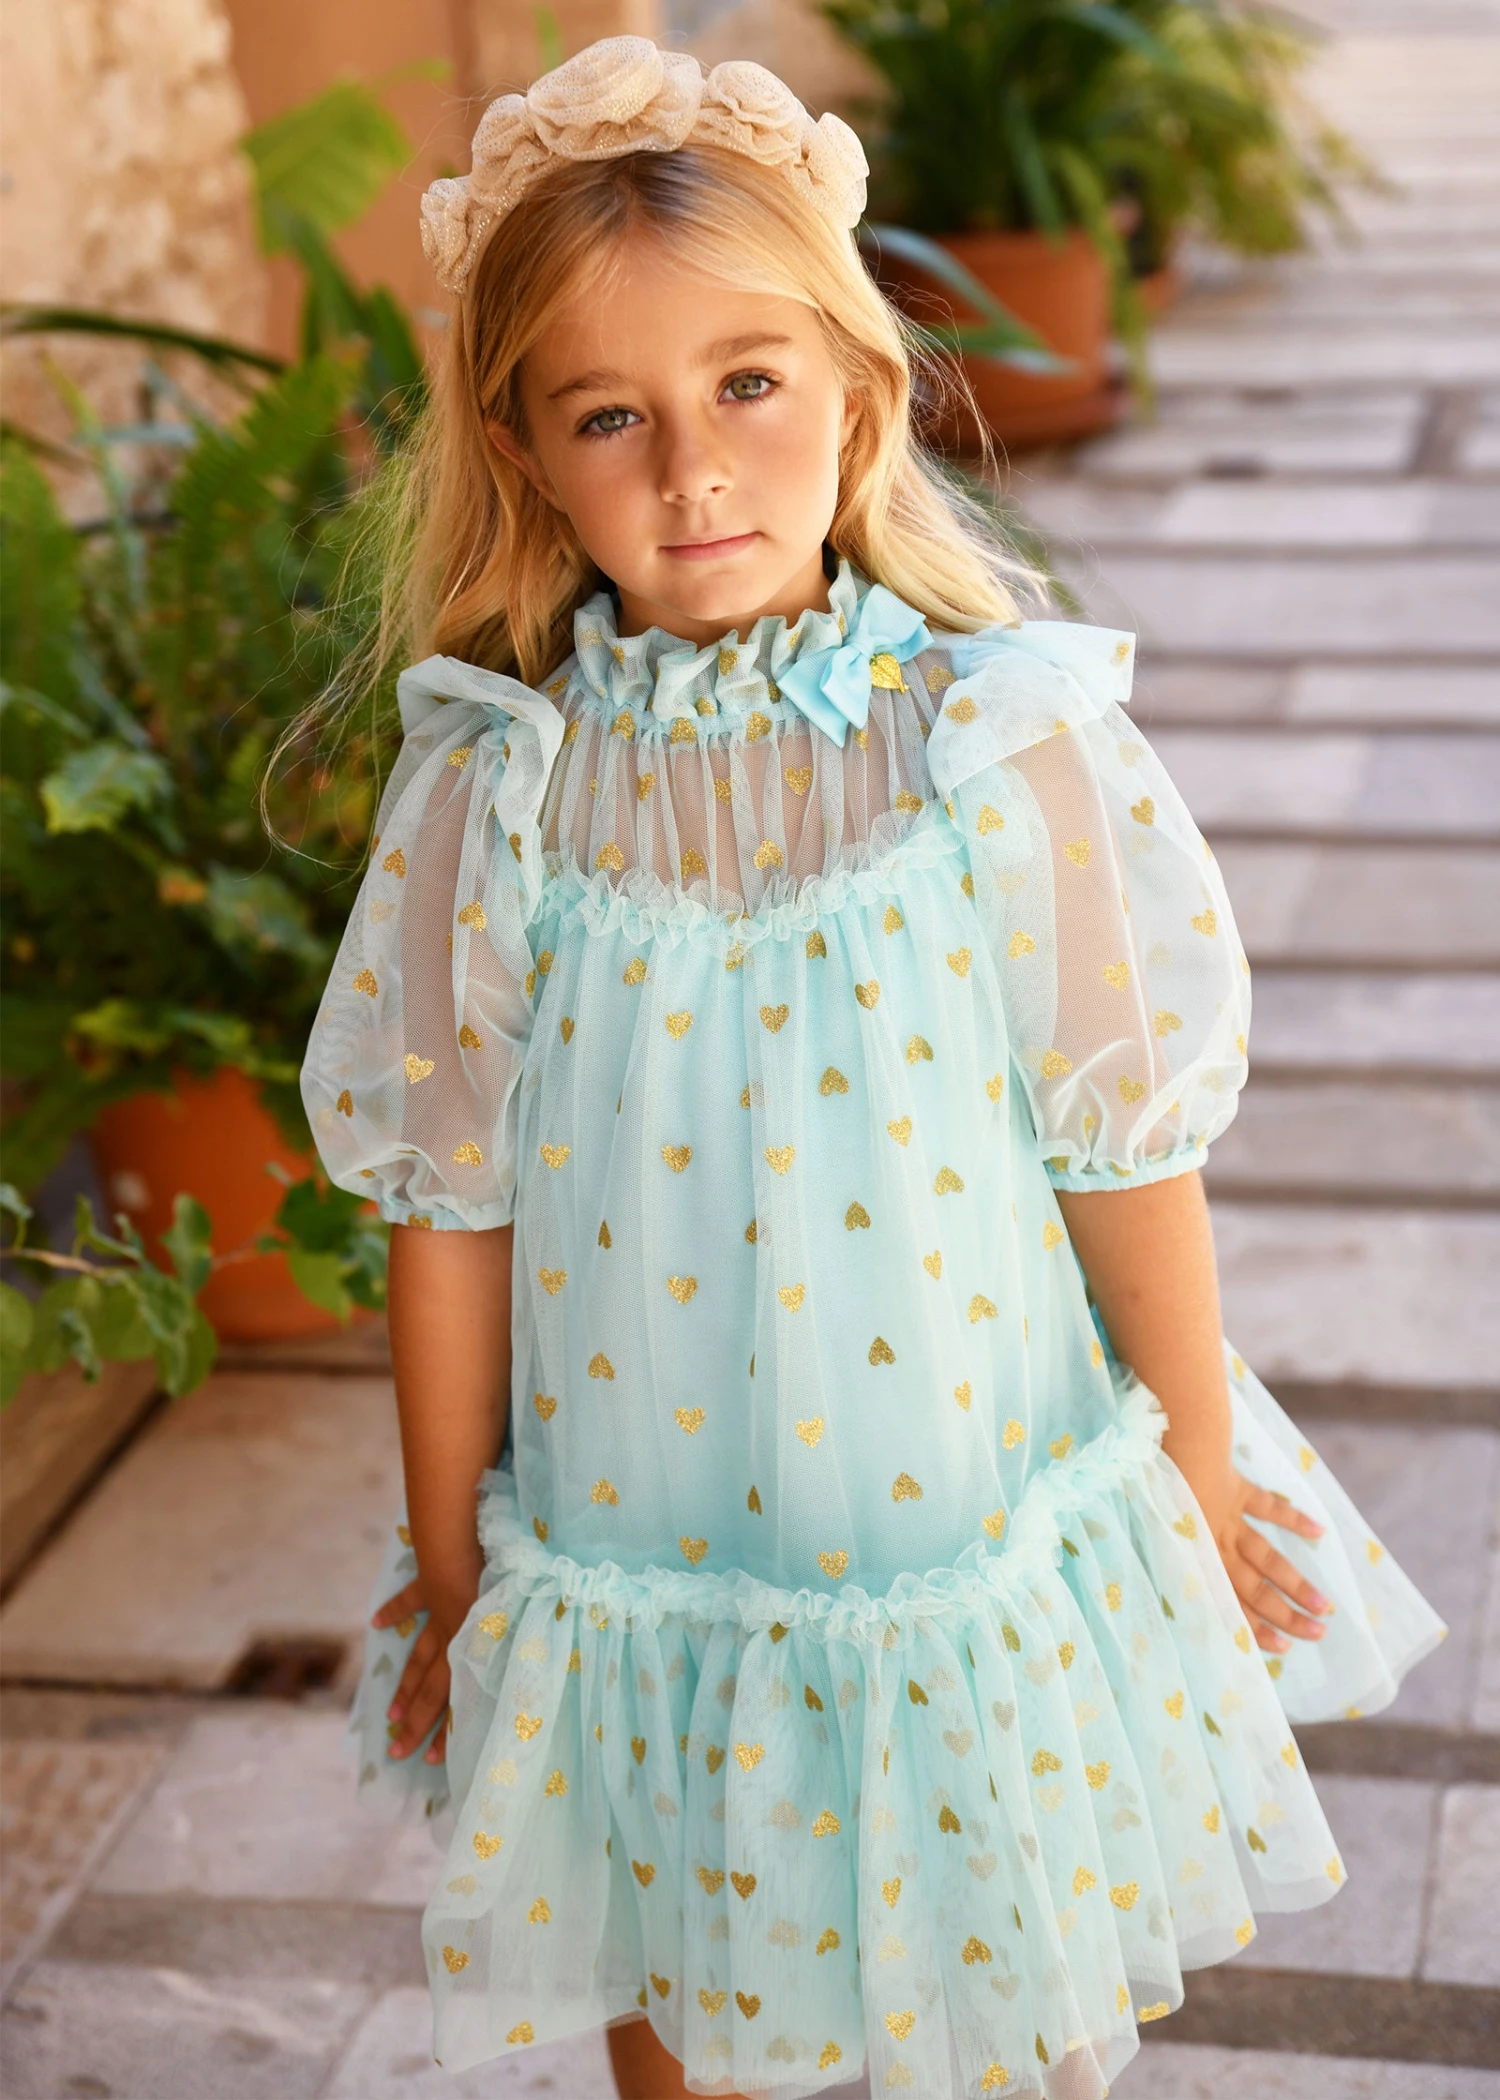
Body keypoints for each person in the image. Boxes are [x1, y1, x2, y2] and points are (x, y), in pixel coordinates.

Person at [298, 36, 1448, 2100]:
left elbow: (1121, 1143)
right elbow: (446, 1207)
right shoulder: (498, 791)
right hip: (638, 1532)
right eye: (610, 414)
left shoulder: (996, 742)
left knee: (1006, 1986)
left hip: (959, 1507)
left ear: (856, 386)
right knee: (672, 1972)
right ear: (527, 454)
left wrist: (1191, 1484)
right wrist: (462, 1585)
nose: (691, 467)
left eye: (746, 382)